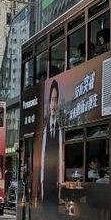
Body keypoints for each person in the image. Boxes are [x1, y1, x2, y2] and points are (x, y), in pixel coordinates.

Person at [41, 78, 61, 206]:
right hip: (46, 183)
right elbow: (42, 159)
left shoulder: (60, 129)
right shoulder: (44, 130)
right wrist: (42, 186)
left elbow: (61, 159)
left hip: (55, 183)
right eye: (51, 100)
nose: (53, 105)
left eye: (55, 100)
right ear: (49, 103)